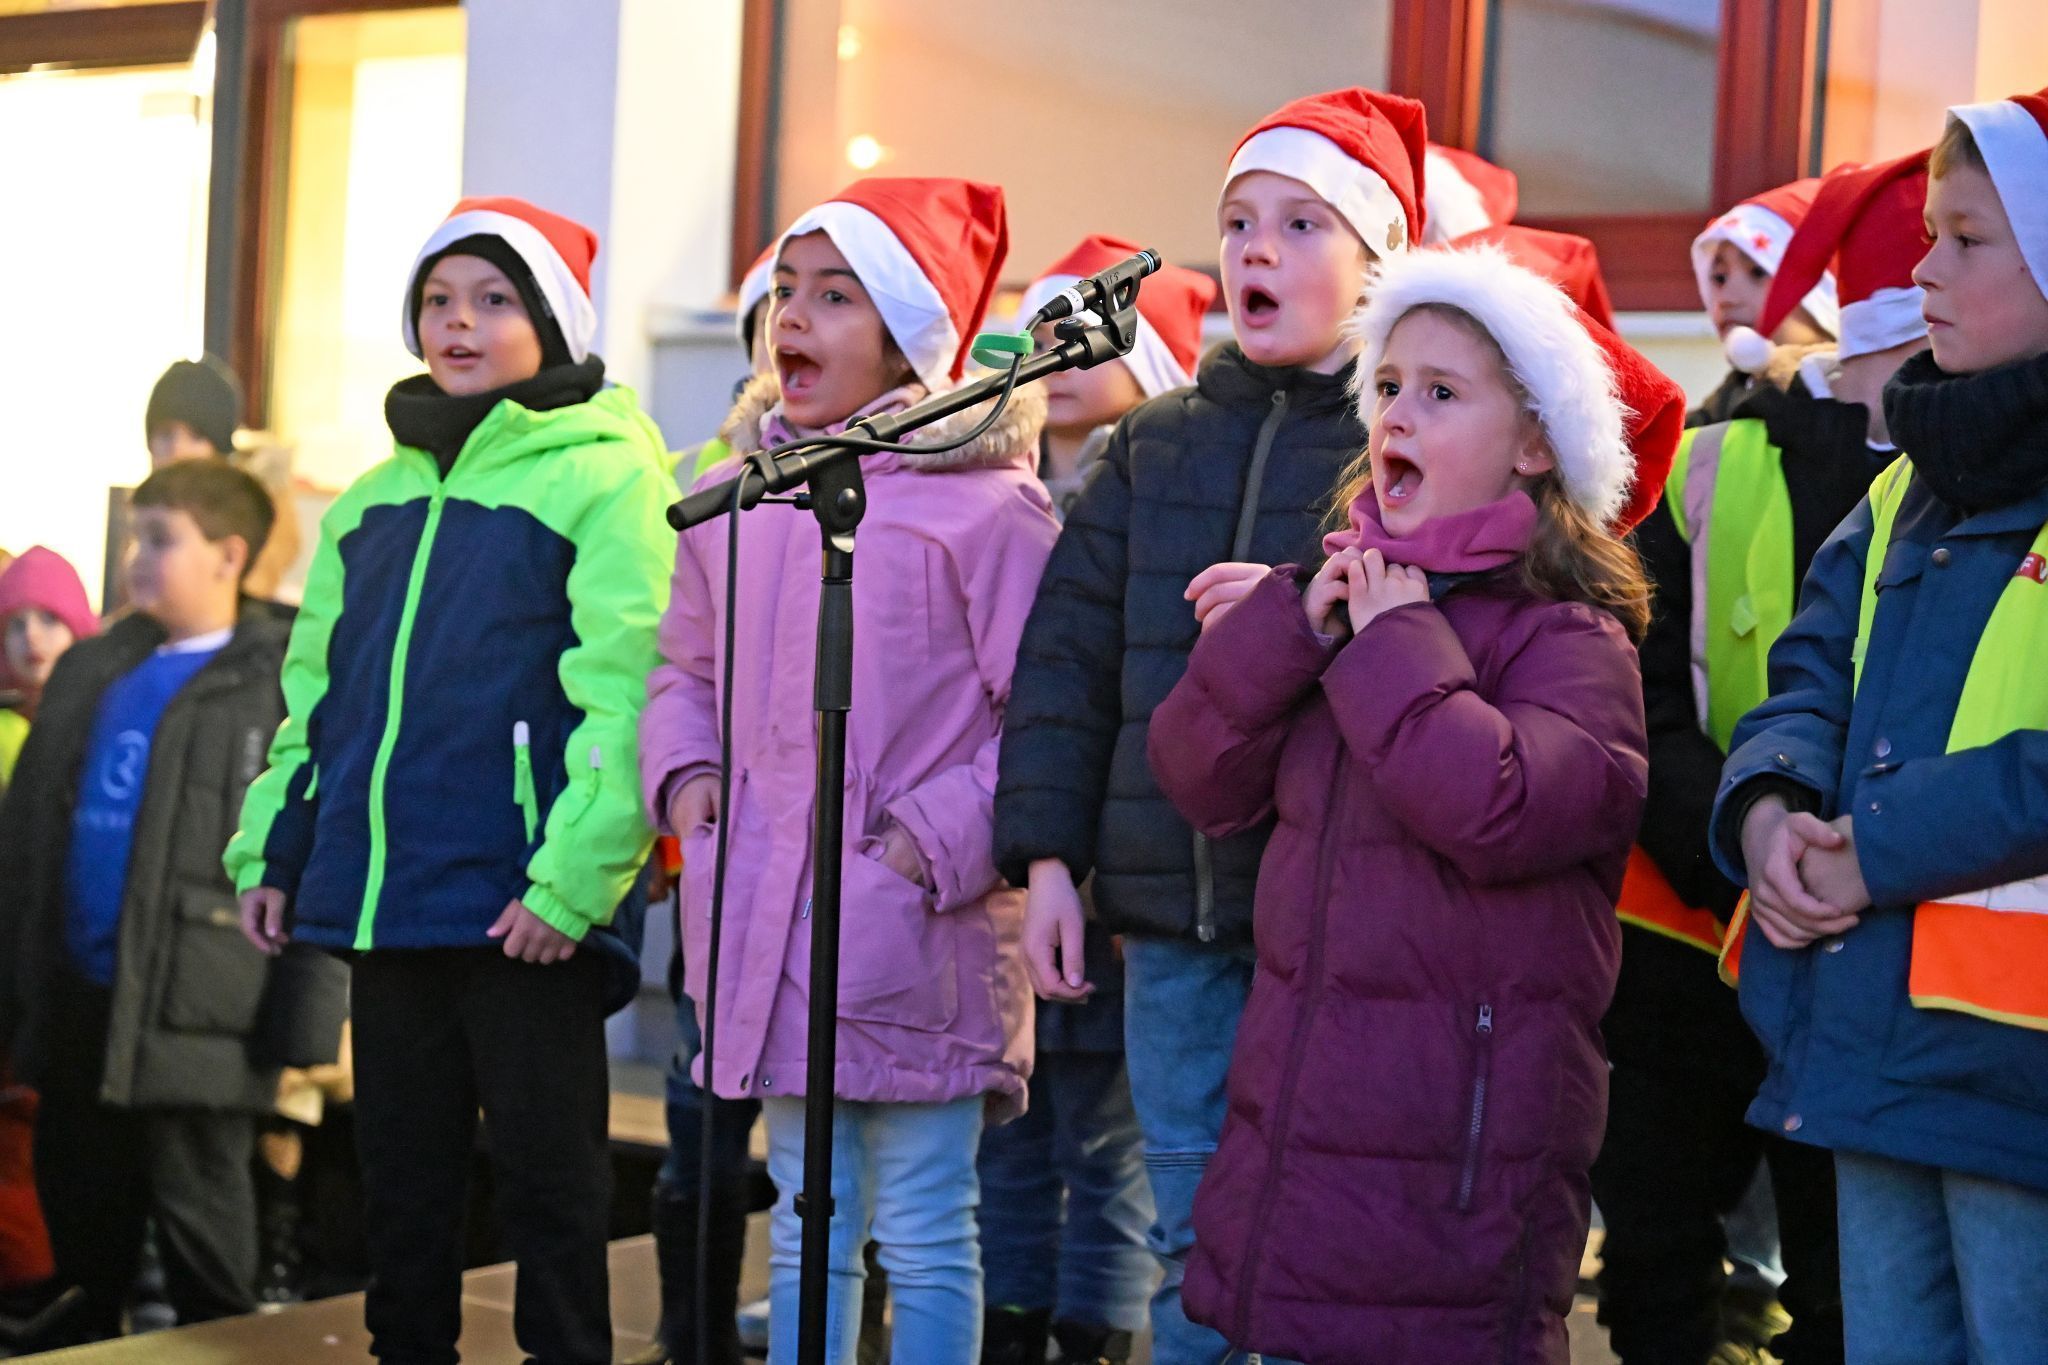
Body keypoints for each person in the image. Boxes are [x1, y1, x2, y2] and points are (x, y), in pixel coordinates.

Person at [1150, 244, 1675, 1364]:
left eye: (1441, 393)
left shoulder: (1571, 642)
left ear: (1535, 446)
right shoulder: (1347, 602)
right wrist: (1291, 631)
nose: (1397, 412)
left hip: (1458, 1158)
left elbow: (1498, 807)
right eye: (1387, 386)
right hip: (1305, 1125)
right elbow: (1195, 776)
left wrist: (1388, 641)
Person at [994, 86, 1423, 1364]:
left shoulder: (1402, 437)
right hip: (1170, 933)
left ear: (1376, 262)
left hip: (1326, 926)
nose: (1256, 249)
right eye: (1237, 222)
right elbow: (1064, 664)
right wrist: (1053, 867)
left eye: (1301, 223)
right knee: (1192, 1245)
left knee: (1313, 1245)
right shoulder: (1151, 446)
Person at [224, 196, 675, 1365]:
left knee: (550, 1188)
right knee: (403, 1189)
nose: (457, 324)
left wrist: (570, 885)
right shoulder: (372, 502)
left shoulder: (609, 474)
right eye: (437, 300)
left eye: (492, 299)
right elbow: (314, 702)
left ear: (550, 323)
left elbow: (627, 693)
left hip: (528, 906)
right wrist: (277, 851)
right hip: (389, 896)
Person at [640, 176, 1059, 1365]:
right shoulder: (731, 501)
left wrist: (930, 839)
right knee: (803, 1223)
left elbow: (1039, 711)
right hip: (765, 922)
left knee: (924, 1225)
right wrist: (688, 777)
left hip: (915, 923)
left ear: (906, 334)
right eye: (785, 289)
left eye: (836, 295)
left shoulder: (987, 510)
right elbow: (681, 670)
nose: (796, 317)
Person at [1709, 88, 2048, 1365]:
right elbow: (1802, 676)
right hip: (1865, 1028)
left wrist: (1872, 849)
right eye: (1926, 235)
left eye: (1967, 241)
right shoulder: (1903, 480)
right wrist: (1769, 811)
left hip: (2018, 1072)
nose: (1921, 270)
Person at [1604, 149, 1944, 1365]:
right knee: (1651, 1254)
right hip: (1682, 930)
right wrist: (1743, 843)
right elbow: (1631, 687)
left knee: (1843, 1278)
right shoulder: (1701, 458)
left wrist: (1841, 863)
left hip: (1870, 939)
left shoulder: (1957, 483)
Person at [0, 458, 337, 1343]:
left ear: (229, 555)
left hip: (205, 1026)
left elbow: (316, 850)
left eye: (160, 540)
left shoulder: (278, 680)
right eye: (133, 538)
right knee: (83, 1261)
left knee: (207, 1273)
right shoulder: (92, 669)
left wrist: (304, 1025)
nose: (134, 560)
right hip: (82, 1009)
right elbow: (29, 839)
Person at [977, 234, 1214, 1365]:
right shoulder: (991, 483)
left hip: (1119, 876)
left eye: (1085, 338)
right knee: (1011, 1136)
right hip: (1010, 864)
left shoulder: (1161, 490)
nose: (1053, 360)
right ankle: (1012, 1324)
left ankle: (1097, 1337)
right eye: (1039, 335)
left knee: (1111, 1147)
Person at [143, 357, 301, 601]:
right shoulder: (145, 513)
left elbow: (245, 596)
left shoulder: (255, 512)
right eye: (165, 435)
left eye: (196, 436)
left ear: (219, 449)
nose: (177, 450)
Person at [1688, 181, 1841, 425]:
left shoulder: (1855, 396)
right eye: (1718, 278)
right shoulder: (1729, 396)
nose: (1726, 299)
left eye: (1758, 272)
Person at [0, 547, 98, 793]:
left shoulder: (106, 716)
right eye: (17, 625)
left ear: (78, 629)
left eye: (49, 619)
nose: (31, 636)